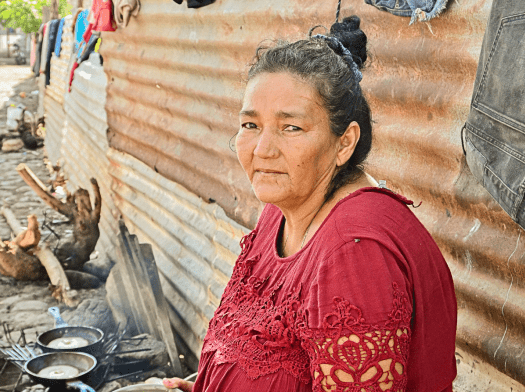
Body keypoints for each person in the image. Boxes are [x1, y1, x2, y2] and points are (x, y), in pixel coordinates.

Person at [164, 15, 457, 392]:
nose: (263, 150)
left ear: (344, 143)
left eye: (292, 128)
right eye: (251, 125)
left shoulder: (354, 255)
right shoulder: (282, 208)